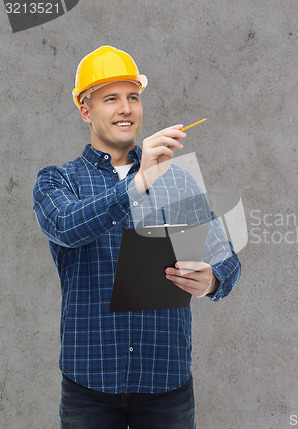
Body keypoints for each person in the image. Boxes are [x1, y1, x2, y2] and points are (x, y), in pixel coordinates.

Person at [32, 45, 241, 429]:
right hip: (88, 387)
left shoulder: (176, 181)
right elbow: (66, 226)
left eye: (133, 97)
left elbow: (226, 258)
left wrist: (211, 279)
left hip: (166, 386)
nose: (126, 108)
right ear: (85, 110)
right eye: (111, 98)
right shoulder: (58, 181)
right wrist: (138, 182)